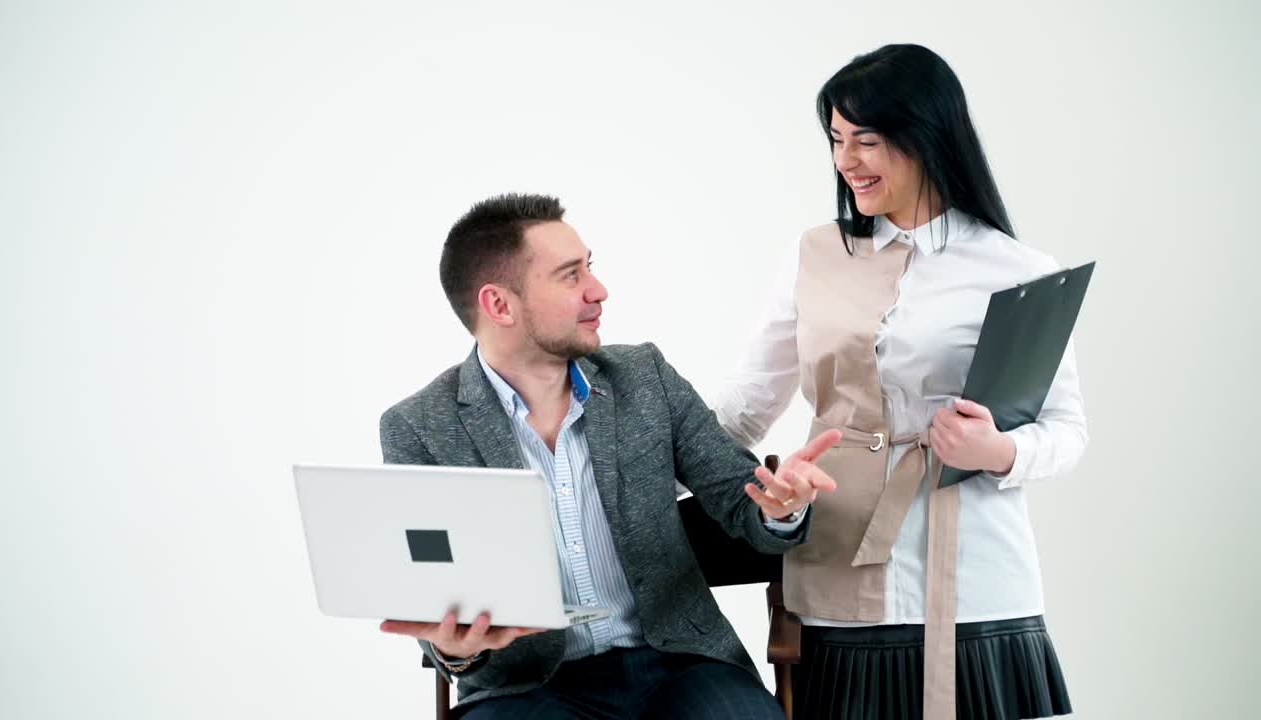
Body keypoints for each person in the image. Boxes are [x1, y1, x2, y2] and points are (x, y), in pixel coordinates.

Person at [713, 44, 1086, 720]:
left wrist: (998, 452)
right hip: (837, 567)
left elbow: (1066, 430)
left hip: (977, 579)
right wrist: (640, 458)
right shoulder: (815, 254)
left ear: (927, 137)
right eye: (836, 139)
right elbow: (744, 407)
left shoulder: (1016, 267)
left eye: (868, 140)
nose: (845, 160)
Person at [379, 192, 842, 719]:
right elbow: (434, 594)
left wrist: (780, 510)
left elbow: (743, 501)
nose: (598, 291)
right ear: (499, 305)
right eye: (570, 275)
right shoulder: (418, 428)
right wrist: (454, 651)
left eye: (589, 269)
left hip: (680, 665)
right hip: (526, 686)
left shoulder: (645, 378)